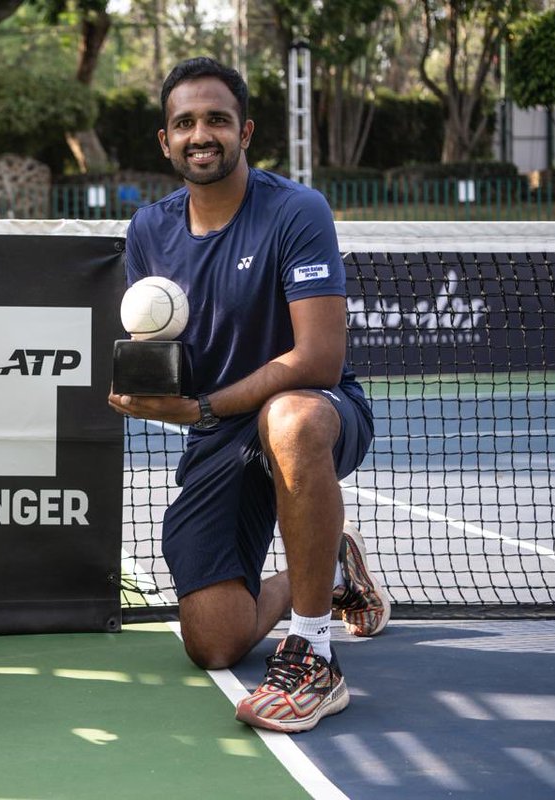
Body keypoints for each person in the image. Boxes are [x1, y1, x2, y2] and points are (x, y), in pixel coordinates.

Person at [109, 57, 389, 734]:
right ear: (166, 141)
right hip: (221, 437)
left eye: (216, 120)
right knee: (212, 641)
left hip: (316, 411)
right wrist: (146, 388)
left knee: (289, 420)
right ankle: (328, 572)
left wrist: (204, 406)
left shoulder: (296, 210)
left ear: (245, 131)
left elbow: (319, 357)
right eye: (185, 123)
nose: (200, 134)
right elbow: (159, 356)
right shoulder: (150, 231)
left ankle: (314, 652)